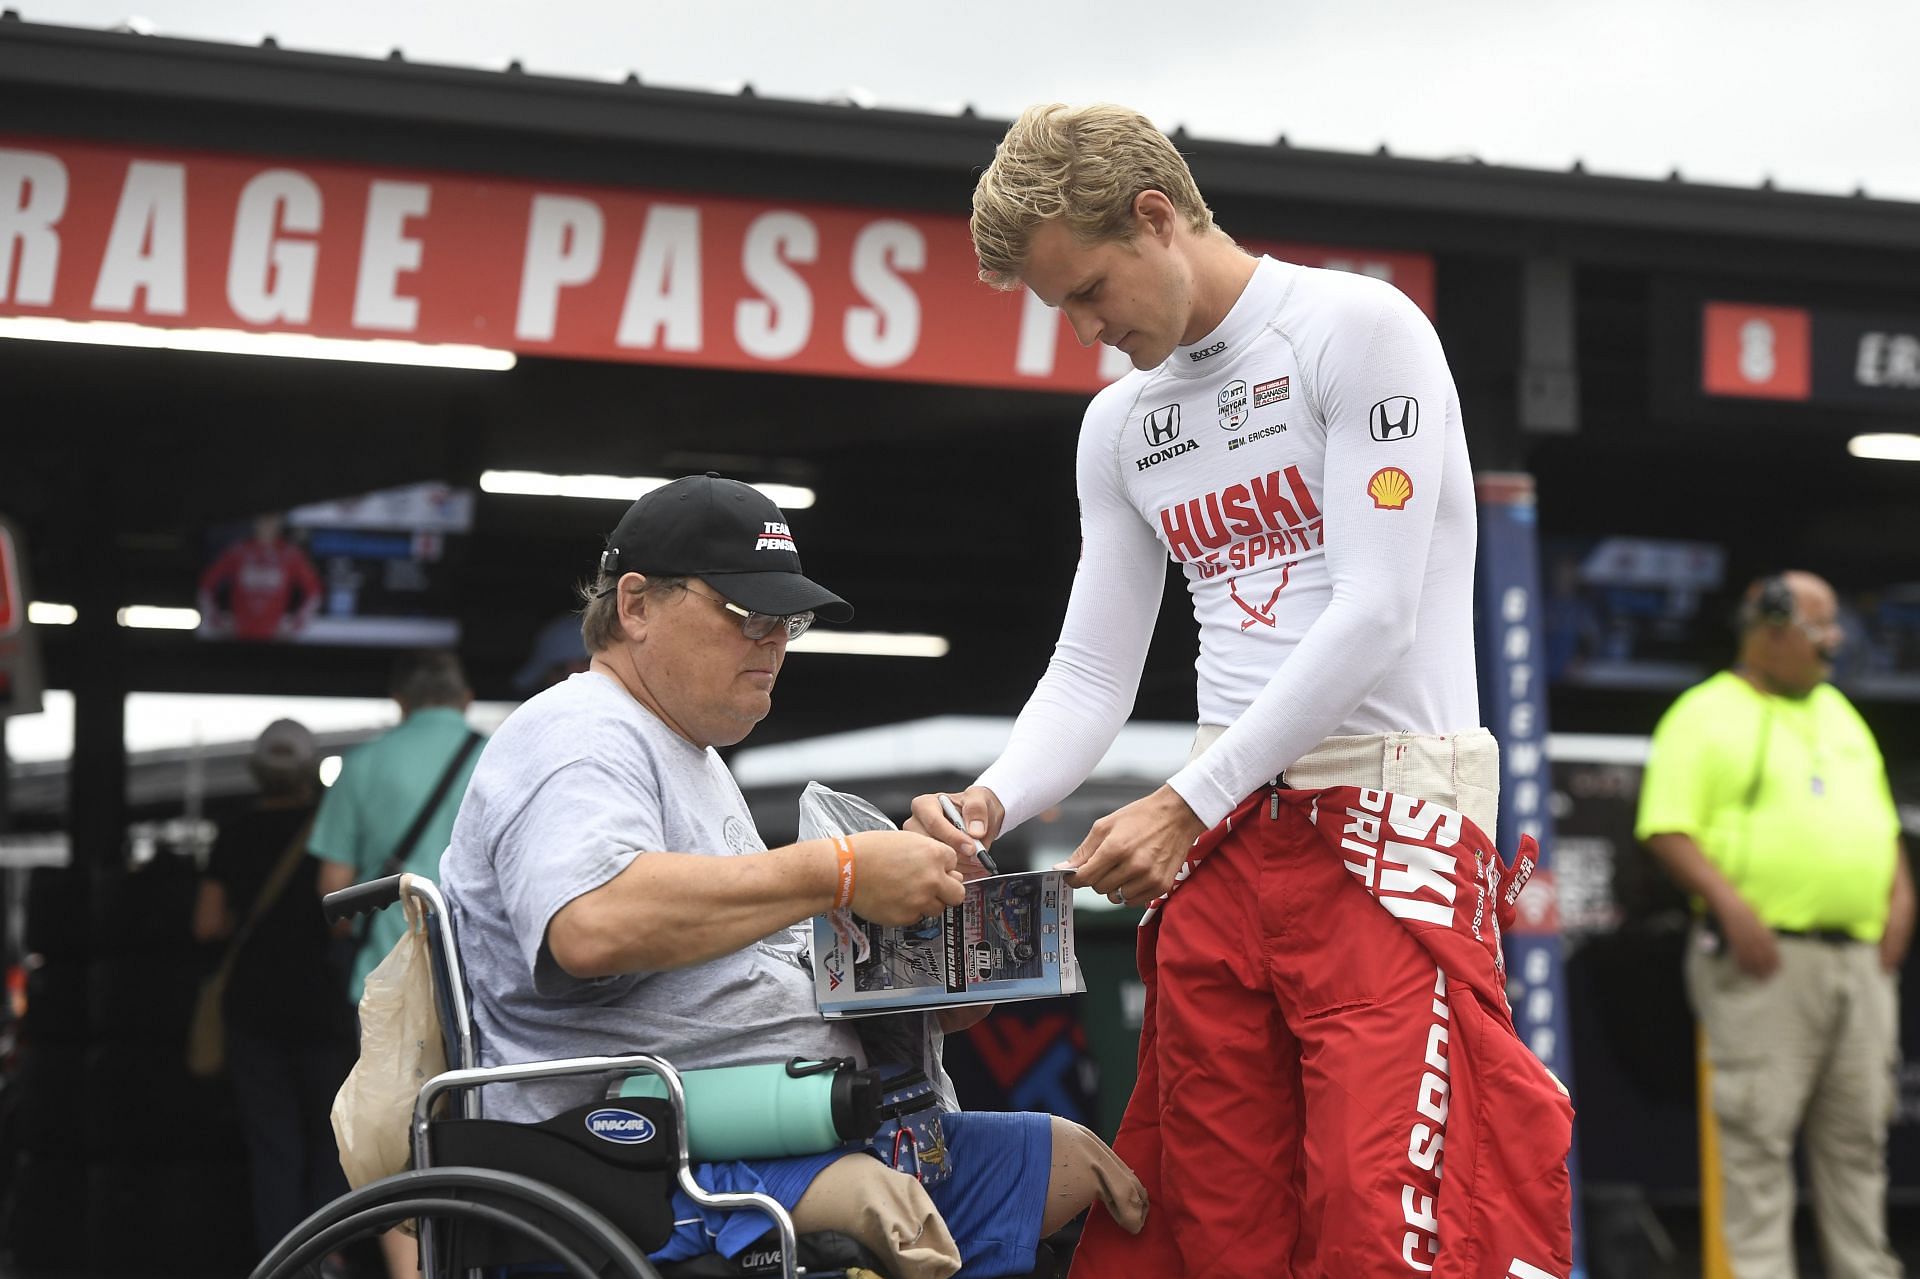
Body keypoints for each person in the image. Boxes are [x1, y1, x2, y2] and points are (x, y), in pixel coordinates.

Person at [909, 103, 1574, 1277]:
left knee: (1385, 1220)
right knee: (1210, 1222)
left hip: (1384, 824)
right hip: (1222, 838)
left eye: (1087, 289)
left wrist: (1184, 801)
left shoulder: (1359, 327)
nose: (1082, 330)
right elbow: (1092, 672)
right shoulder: (1119, 422)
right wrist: (986, 808)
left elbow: (1377, 610)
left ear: (1156, 217)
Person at [438, 474, 1146, 1279]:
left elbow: (748, 964)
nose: (774, 640)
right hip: (655, 1155)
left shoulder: (691, 755)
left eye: (789, 621)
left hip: (809, 1119)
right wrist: (841, 869)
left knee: (1081, 1173)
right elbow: (591, 922)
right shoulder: (579, 732)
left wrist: (941, 943)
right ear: (635, 605)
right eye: (749, 615)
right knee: (899, 1219)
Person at [1637, 570, 1913, 1279]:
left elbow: (1880, 825)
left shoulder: (1839, 713)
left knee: (1859, 1139)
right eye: (1822, 627)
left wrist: (1900, 897)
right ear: (1774, 629)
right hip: (1766, 963)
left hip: (1857, 963)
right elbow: (1667, 825)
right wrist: (1732, 907)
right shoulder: (1704, 713)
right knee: (1757, 1140)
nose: (1837, 641)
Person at [312, 650, 482, 1279]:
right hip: (485, 984)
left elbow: (330, 885)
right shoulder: (498, 756)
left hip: (390, 991)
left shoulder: (363, 766)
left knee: (399, 1142)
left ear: (401, 702)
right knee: (482, 1129)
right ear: (463, 699)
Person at [192, 719, 355, 1255]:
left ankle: (282, 1262)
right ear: (310, 771)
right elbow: (347, 912)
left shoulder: (235, 831)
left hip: (253, 1007)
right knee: (334, 1140)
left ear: (257, 772)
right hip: (324, 1002)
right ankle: (328, 1256)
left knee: (273, 1147)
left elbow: (207, 923)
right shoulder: (329, 825)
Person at [197, 514, 323, 641]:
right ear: (256, 522)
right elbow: (207, 584)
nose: (267, 525)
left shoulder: (290, 555)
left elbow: (314, 591)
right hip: (239, 634)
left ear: (279, 523)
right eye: (263, 520)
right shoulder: (239, 552)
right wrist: (216, 619)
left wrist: (295, 625)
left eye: (272, 521)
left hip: (274, 636)